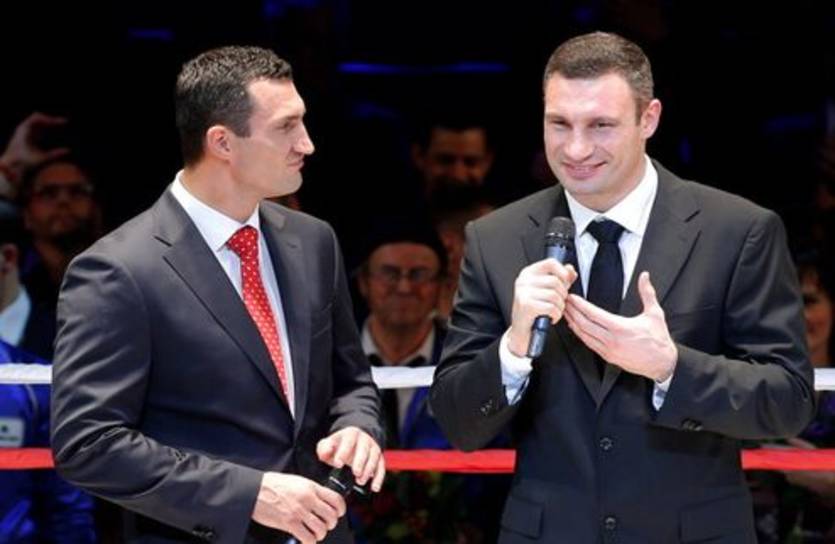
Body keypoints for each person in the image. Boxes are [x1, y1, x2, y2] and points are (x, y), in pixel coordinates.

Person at [429, 31, 815, 543]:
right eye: (559, 124)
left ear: (648, 119)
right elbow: (457, 422)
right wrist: (512, 348)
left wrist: (671, 367)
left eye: (601, 126)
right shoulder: (496, 238)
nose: (575, 148)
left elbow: (789, 400)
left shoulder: (738, 230)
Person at [50, 45, 384, 544]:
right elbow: (88, 444)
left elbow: (351, 381)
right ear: (222, 142)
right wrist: (250, 494)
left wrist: (357, 427)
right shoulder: (118, 269)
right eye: (286, 127)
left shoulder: (314, 240)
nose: (308, 144)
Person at [18, 156, 102, 311]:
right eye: (48, 193)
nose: (64, 201)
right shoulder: (8, 276)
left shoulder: (119, 273)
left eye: (77, 192)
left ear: (95, 209)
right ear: (26, 215)